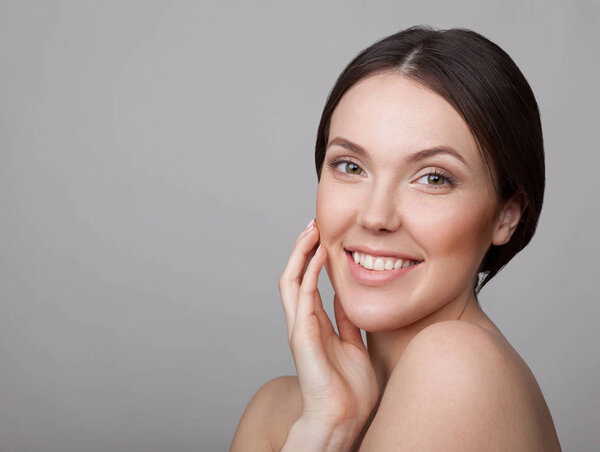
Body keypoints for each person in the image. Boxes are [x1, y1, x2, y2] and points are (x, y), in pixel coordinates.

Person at [230, 25, 561, 451]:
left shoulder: (457, 366)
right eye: (350, 166)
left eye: (433, 178)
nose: (375, 216)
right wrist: (327, 425)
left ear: (506, 216)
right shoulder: (278, 410)